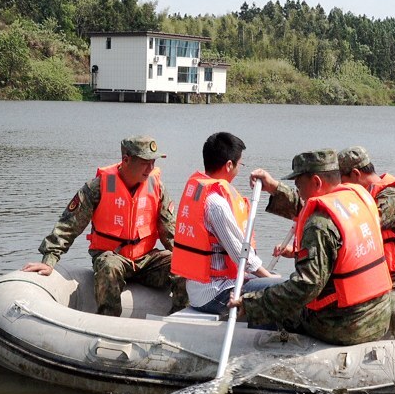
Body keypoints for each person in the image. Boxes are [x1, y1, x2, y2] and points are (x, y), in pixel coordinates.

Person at [231, 149, 392, 345]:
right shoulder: (360, 199)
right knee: (269, 290)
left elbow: (306, 286)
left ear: (316, 182)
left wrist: (252, 305)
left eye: (299, 185)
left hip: (344, 324)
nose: (298, 191)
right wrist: (274, 187)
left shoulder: (319, 223)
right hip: (379, 313)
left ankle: (260, 351)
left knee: (265, 298)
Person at [22, 135, 187, 316]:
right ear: (126, 160)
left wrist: (189, 261)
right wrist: (50, 259)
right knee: (109, 266)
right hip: (112, 257)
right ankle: (110, 324)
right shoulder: (97, 187)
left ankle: (178, 321)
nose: (151, 168)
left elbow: (171, 232)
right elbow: (69, 225)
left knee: (181, 264)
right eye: (145, 162)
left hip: (146, 260)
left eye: (153, 162)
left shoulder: (156, 188)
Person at [171, 132, 282, 315]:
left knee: (274, 283)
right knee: (280, 291)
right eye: (240, 164)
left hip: (200, 290)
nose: (239, 170)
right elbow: (241, 256)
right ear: (229, 165)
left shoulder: (199, 191)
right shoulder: (217, 204)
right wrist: (269, 277)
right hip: (215, 292)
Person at [337, 146, 395, 339]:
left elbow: (355, 223)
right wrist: (276, 189)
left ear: (355, 173)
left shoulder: (393, 198)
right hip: (371, 276)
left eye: (342, 181)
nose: (340, 188)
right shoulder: (361, 196)